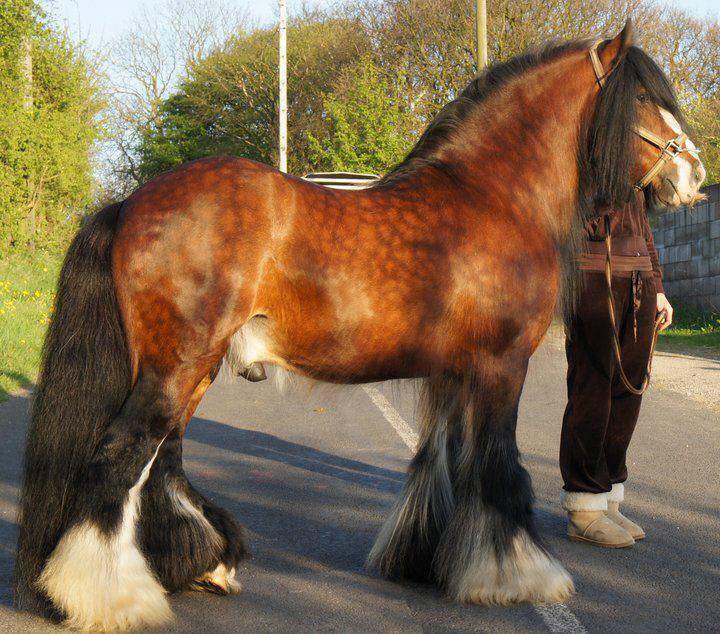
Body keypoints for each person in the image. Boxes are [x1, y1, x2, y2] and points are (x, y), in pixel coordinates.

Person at [560, 189, 673, 548]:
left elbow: (645, 233)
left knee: (629, 391)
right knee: (592, 390)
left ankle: (607, 496)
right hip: (593, 280)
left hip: (638, 282)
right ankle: (584, 507)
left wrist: (657, 287)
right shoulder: (589, 153)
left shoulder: (634, 169)